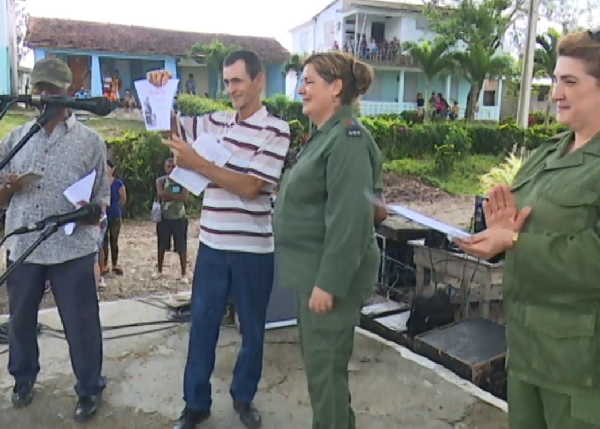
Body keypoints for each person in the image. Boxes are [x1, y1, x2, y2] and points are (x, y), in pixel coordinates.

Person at [456, 30, 600, 429]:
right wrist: (500, 232)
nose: (556, 93)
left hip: (581, 369)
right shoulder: (546, 154)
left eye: (570, 82)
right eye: (556, 80)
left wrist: (516, 240)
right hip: (526, 349)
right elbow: (519, 226)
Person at [151, 49, 290, 429]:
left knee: (253, 332)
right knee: (202, 326)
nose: (231, 89)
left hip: (253, 251)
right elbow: (169, 128)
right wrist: (159, 91)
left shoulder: (276, 129)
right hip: (212, 245)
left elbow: (250, 187)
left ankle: (243, 398)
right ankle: (195, 404)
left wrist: (201, 165)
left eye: (238, 81)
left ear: (259, 80)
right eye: (227, 81)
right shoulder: (215, 121)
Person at [273, 51, 385, 429]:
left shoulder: (348, 138)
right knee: (321, 369)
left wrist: (329, 283)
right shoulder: (328, 135)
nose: (301, 89)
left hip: (328, 278)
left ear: (336, 88)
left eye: (309, 81)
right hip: (312, 272)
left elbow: (350, 220)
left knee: (326, 373)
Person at [0, 57, 109, 422]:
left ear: (70, 94)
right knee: (20, 321)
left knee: (81, 324)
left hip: (72, 248)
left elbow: (102, 199)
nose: (43, 96)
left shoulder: (90, 142)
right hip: (24, 245)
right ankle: (24, 379)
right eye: (38, 89)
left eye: (51, 90)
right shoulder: (15, 138)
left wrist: (91, 213)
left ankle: (89, 387)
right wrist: (8, 189)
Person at [155, 157, 188, 280]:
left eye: (173, 166)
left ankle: (184, 273)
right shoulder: (161, 180)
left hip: (179, 217)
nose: (171, 169)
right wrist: (175, 195)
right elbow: (160, 194)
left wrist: (168, 195)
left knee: (181, 246)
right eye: (169, 166)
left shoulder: (183, 181)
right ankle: (159, 270)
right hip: (164, 217)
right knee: (161, 244)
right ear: (165, 167)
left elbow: (184, 197)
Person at [102, 160, 126, 276]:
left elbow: (123, 198)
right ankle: (104, 264)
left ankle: (115, 264)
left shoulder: (118, 183)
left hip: (115, 215)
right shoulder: (100, 183)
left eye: (108, 167)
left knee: (114, 240)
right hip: (103, 215)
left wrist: (117, 208)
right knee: (103, 241)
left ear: (113, 169)